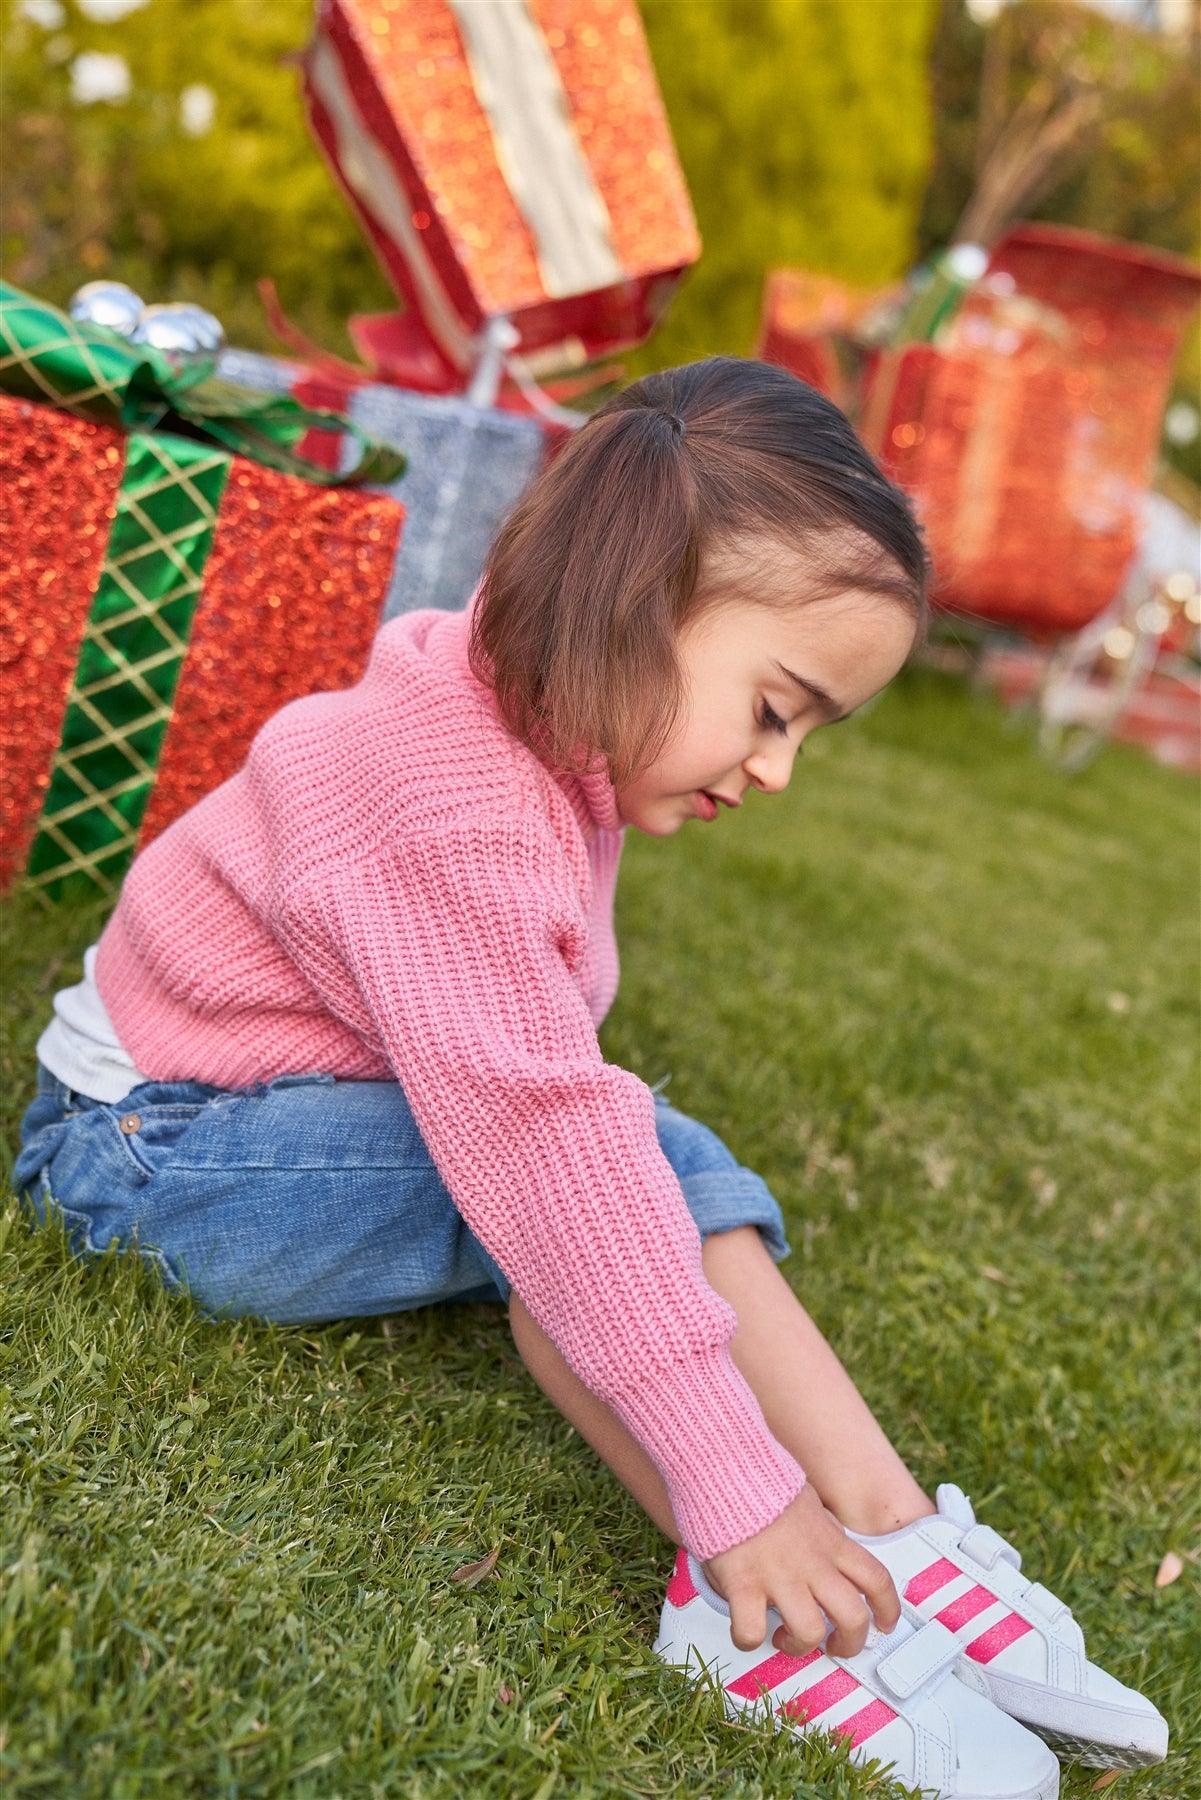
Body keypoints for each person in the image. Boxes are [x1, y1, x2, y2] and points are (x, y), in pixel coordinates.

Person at [13, 357, 1167, 1793]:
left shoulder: (530, 712)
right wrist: (741, 1494)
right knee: (584, 1197)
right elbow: (549, 1172)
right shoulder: (448, 807)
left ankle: (883, 1528)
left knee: (630, 1157)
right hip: (150, 1156)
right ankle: (738, 1583)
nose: (777, 769)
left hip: (245, 1115)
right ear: (629, 606)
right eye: (771, 707)